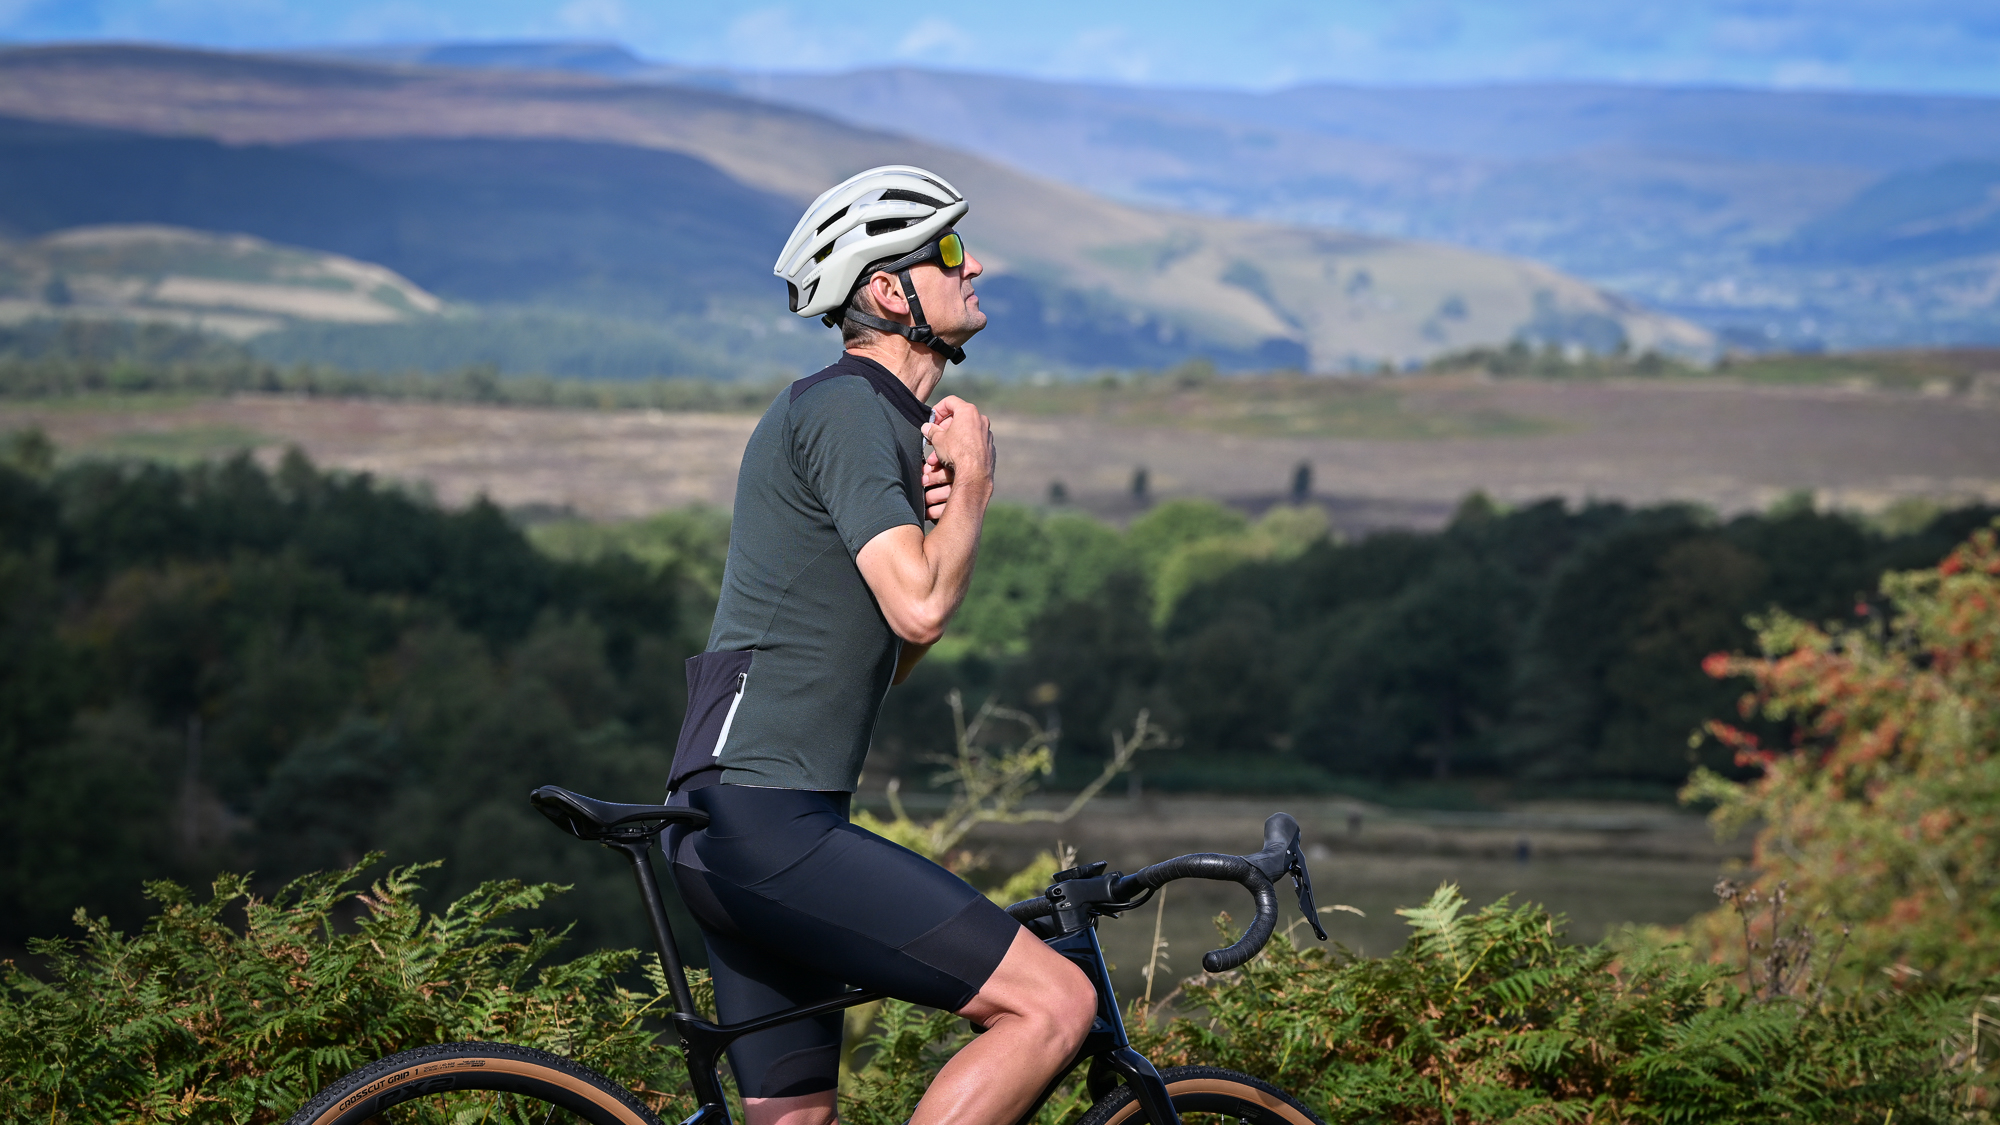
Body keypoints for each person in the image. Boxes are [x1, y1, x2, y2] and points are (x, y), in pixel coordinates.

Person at [662, 166, 1097, 1125]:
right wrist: (973, 493)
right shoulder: (852, 406)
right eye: (947, 250)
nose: (973, 262)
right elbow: (921, 614)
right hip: (769, 825)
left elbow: (883, 653)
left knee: (797, 1118)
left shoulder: (872, 420)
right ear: (886, 291)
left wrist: (948, 526)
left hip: (728, 821)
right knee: (1054, 1001)